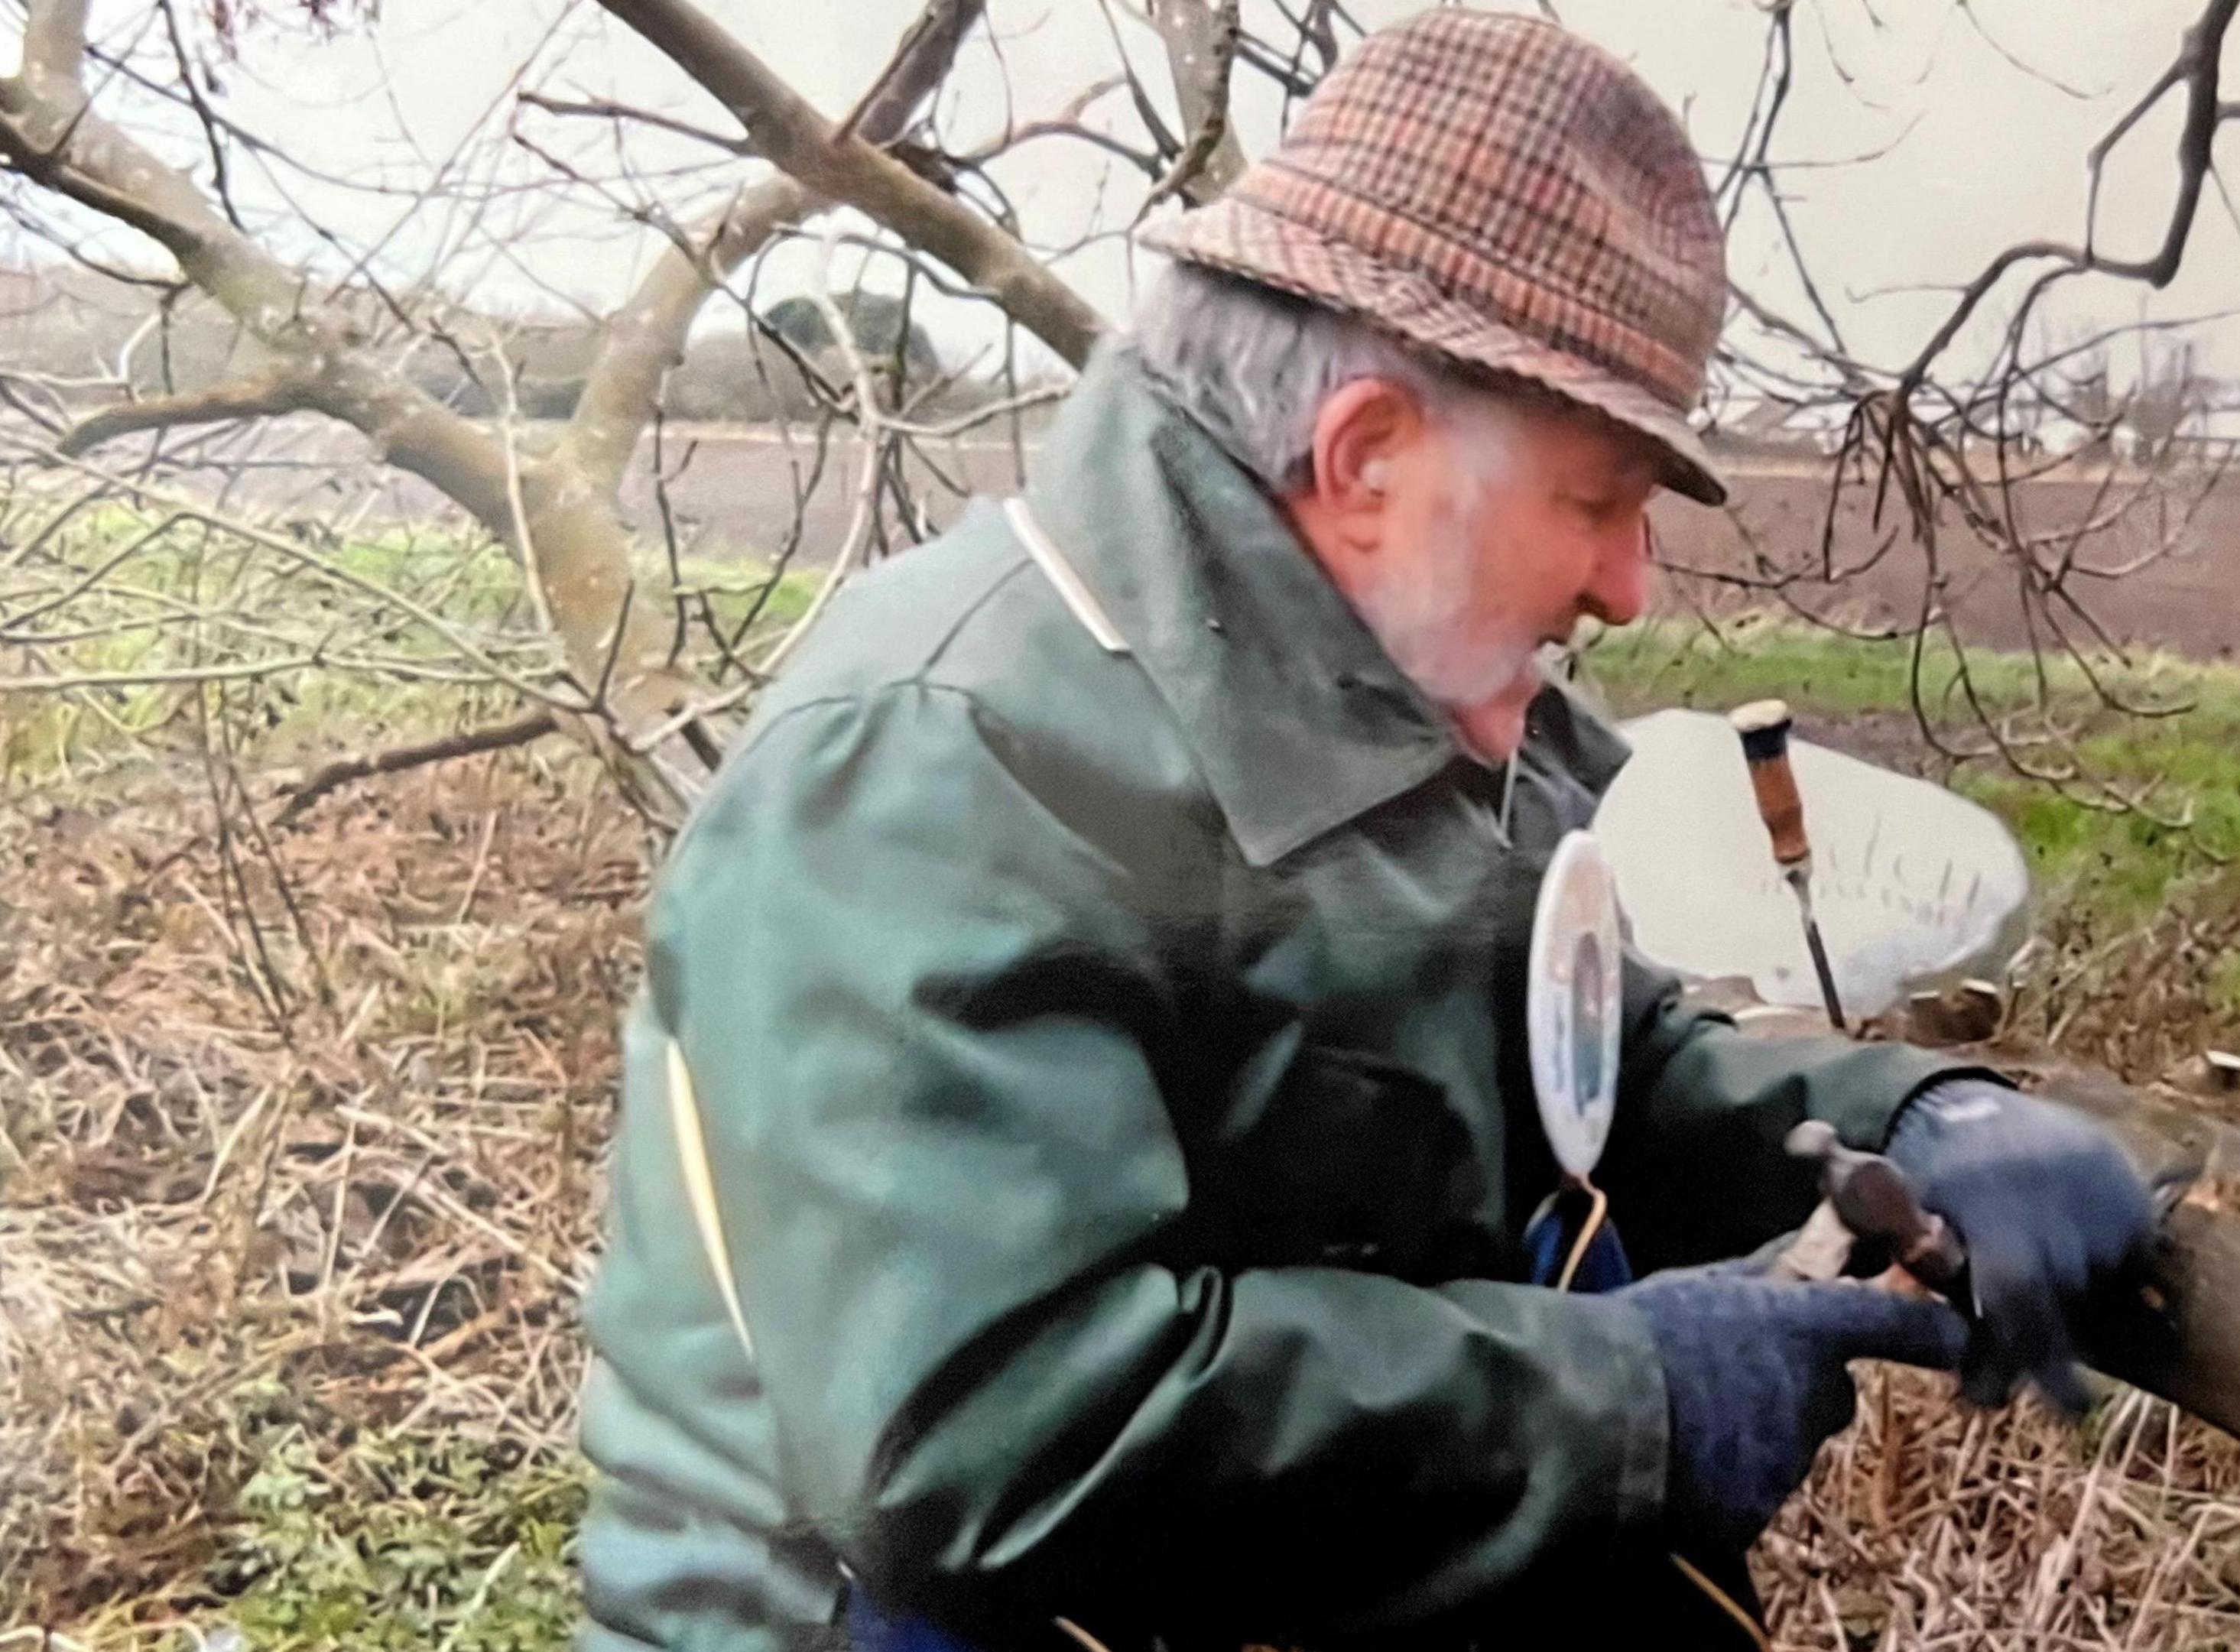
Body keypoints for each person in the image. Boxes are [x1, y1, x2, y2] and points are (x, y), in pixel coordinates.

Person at [571, 14, 2155, 1650]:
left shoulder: (1415, 701)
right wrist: (1628, 1403)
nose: (1629, 582)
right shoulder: (938, 763)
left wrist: (1923, 1115)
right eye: (1598, 499)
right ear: (1368, 458)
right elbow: (998, 1440)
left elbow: (1592, 1070)